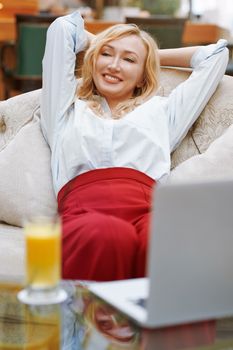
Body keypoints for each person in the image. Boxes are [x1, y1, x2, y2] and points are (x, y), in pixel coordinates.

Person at [40, 11, 228, 282]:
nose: (114, 66)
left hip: (148, 210)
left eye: (128, 60)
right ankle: (94, 324)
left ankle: (161, 322)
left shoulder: (162, 113)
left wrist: (149, 56)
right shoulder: (64, 110)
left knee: (171, 234)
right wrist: (108, 47)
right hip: (85, 211)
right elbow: (62, 28)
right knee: (107, 235)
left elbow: (215, 56)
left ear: (143, 76)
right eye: (106, 54)